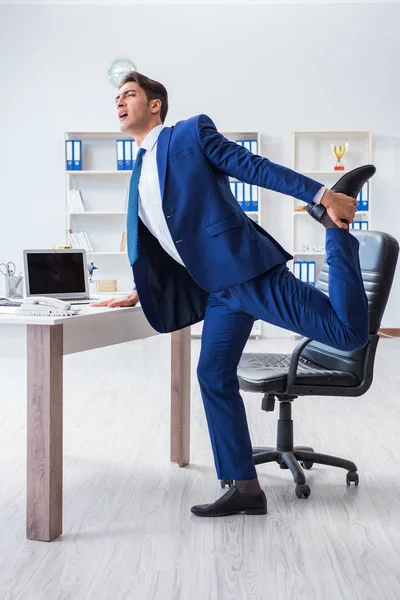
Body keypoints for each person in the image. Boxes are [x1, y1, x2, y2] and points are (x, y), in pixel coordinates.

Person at [91, 71, 374, 517]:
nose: (120, 103)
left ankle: (333, 226)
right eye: (116, 98)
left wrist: (320, 193)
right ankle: (245, 488)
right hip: (219, 291)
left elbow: (252, 167)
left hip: (246, 272)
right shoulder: (139, 169)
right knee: (212, 375)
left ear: (156, 104)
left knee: (348, 333)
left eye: (129, 94)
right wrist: (136, 290)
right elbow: (163, 241)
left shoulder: (189, 133)